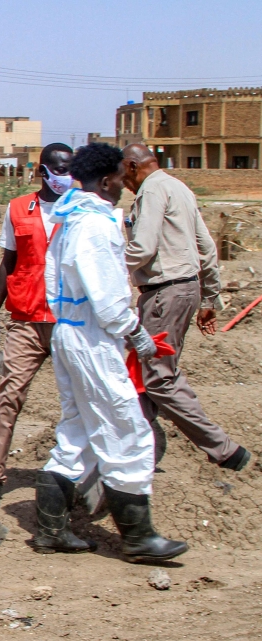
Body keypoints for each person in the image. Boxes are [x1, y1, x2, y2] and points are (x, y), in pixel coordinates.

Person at [36, 143, 187, 562]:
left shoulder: (69, 219)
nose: (124, 186)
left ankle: (50, 528)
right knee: (127, 431)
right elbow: (107, 297)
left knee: (77, 432)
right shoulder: (95, 226)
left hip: (70, 331)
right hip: (92, 338)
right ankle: (139, 538)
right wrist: (135, 333)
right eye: (121, 179)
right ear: (106, 181)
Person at [121, 144, 251, 472]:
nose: (123, 183)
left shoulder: (151, 192)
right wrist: (209, 298)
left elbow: (143, 247)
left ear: (133, 166)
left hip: (165, 293)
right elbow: (206, 247)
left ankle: (224, 449)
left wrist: (105, 265)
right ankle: (134, 453)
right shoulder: (178, 187)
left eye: (123, 175)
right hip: (185, 290)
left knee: (158, 378)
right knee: (146, 375)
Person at [0, 143, 74, 509]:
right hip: (28, 319)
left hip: (69, 320)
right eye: (59, 169)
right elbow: (8, 262)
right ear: (43, 170)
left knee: (79, 400)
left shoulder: (81, 208)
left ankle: (81, 477)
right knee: (9, 396)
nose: (65, 175)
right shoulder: (20, 208)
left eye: (70, 168)